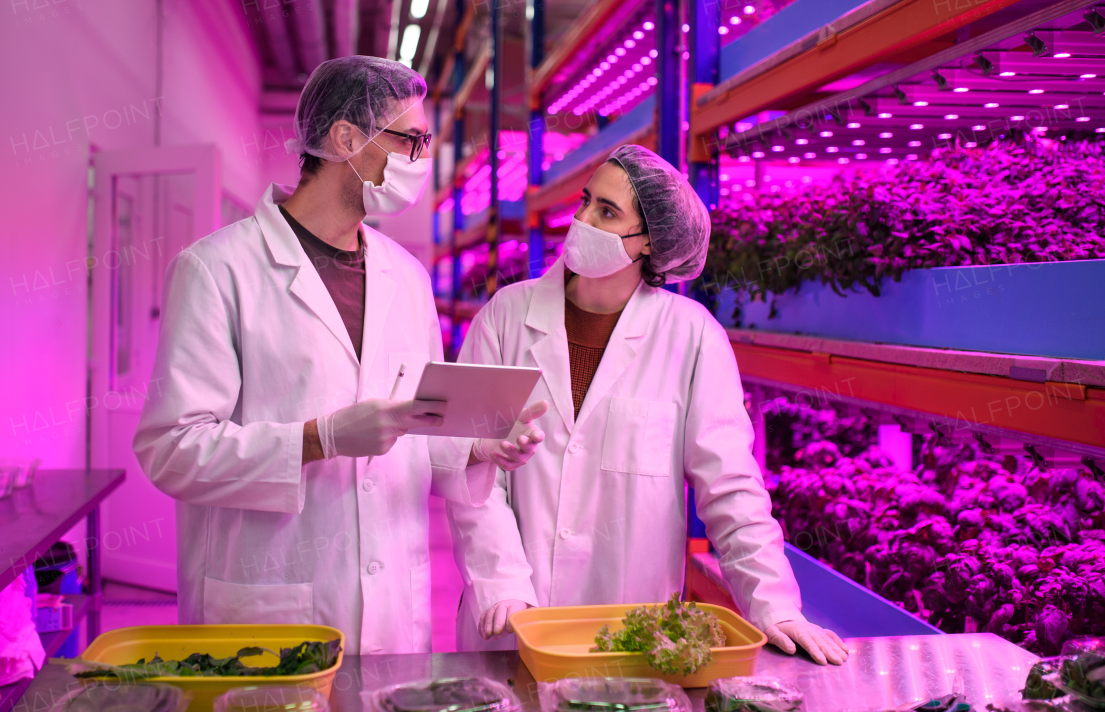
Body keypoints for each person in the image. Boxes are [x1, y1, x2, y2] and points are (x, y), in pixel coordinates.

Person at [133, 56, 544, 655]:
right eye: (411, 140)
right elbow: (171, 449)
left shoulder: (405, 276)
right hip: (270, 604)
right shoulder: (218, 270)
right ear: (346, 139)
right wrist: (318, 438)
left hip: (392, 611)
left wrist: (477, 447)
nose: (422, 160)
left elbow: (415, 426)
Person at [444, 144, 852, 665]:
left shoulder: (692, 336)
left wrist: (773, 605)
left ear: (649, 245)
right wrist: (500, 581)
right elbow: (471, 466)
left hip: (629, 632)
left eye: (607, 212)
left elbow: (729, 485)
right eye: (586, 201)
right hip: (509, 624)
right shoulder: (504, 317)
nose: (582, 219)